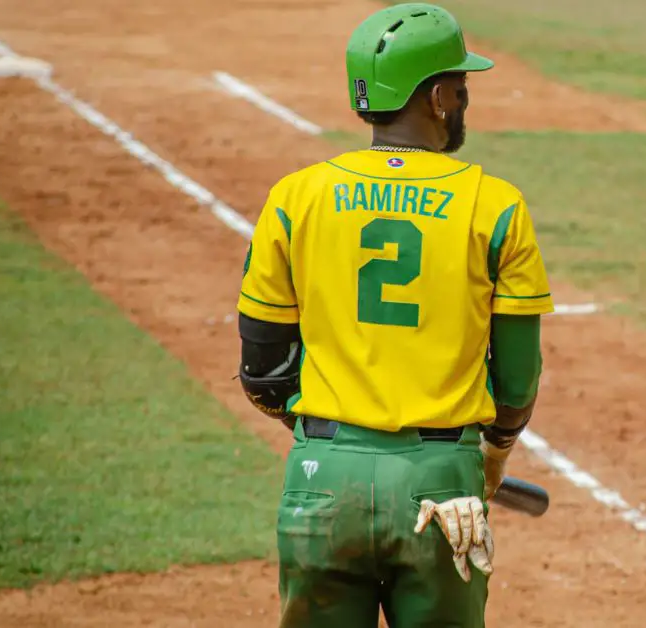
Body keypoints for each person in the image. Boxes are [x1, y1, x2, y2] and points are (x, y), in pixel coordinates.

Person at [234, 4, 553, 626]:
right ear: (436, 97)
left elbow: (262, 371)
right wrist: (494, 453)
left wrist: (336, 445)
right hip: (442, 486)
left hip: (320, 481)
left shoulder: (295, 197)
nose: (464, 99)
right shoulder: (497, 206)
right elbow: (516, 379)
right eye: (460, 86)